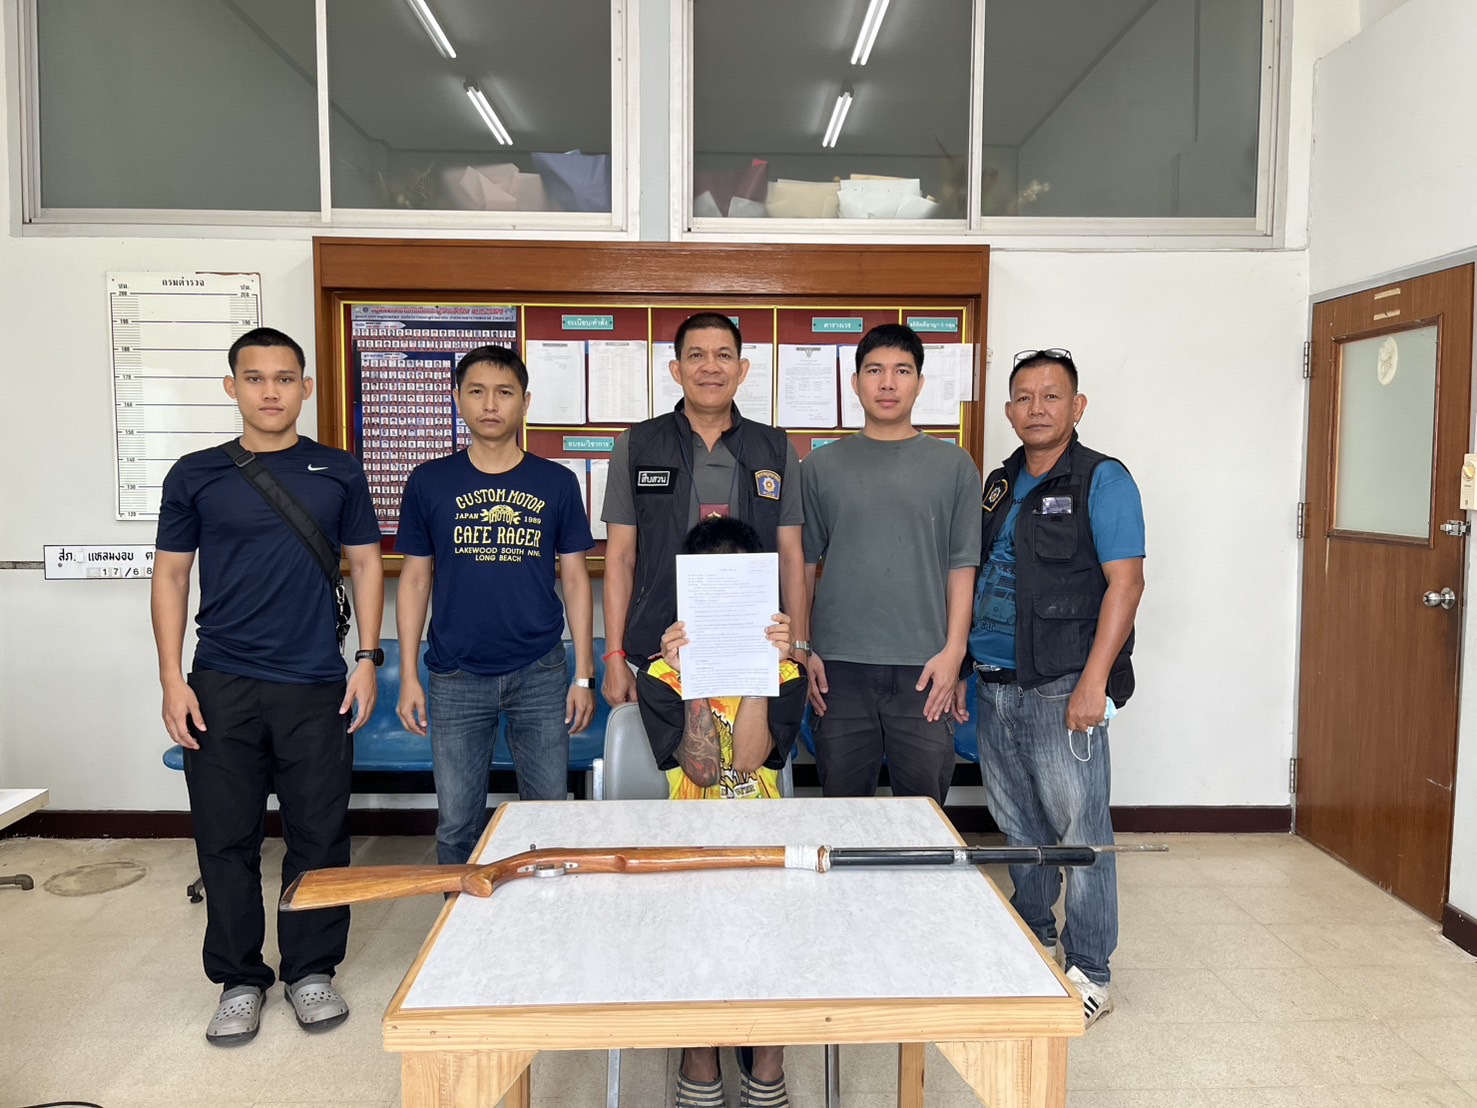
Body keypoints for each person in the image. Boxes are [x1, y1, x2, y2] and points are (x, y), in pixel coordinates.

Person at [151, 326, 384, 1045]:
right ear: (232, 387)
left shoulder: (338, 471)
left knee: (319, 835)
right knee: (226, 838)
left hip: (315, 683)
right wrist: (171, 679)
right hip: (222, 681)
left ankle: (311, 970)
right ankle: (239, 979)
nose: (270, 391)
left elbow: (367, 563)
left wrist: (367, 657)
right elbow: (171, 576)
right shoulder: (195, 474)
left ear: (306, 388)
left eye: (285, 378)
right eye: (255, 378)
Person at [964, 347, 1145, 1029]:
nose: (1035, 408)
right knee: (1017, 825)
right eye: (1023, 397)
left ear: (1077, 406)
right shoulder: (1000, 482)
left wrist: (1093, 682)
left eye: (1050, 396)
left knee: (1081, 831)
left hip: (1061, 684)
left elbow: (1126, 583)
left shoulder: (1102, 478)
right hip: (994, 682)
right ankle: (1034, 936)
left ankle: (1091, 969)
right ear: (1008, 409)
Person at [395, 345, 595, 865]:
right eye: (477, 392)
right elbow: (414, 580)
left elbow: (576, 579)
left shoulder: (556, 482)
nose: (490, 404)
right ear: (457, 398)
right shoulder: (429, 481)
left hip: (540, 671)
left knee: (548, 818)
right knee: (458, 824)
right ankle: (458, 917)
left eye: (504, 392)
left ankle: (545, 913)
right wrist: (410, 675)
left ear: (524, 402)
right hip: (455, 674)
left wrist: (583, 675)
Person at [636, 517, 803, 1107]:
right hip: (688, 835)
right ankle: (701, 1055)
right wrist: (696, 680)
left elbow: (751, 760)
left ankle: (768, 1059)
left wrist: (757, 673)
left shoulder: (786, 673)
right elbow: (704, 772)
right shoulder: (658, 676)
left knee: (782, 925)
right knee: (690, 926)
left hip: (765, 834)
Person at [800, 323, 981, 804]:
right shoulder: (819, 468)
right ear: (854, 381)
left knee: (924, 813)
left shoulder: (955, 466)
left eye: (902, 371)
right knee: (843, 809)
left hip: (926, 665)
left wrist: (954, 654)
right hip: (837, 668)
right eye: (874, 370)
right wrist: (803, 647)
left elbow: (962, 567)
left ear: (920, 383)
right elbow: (802, 567)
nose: (887, 383)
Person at [601, 312, 806, 699]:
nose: (710, 367)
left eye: (723, 355)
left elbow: (791, 556)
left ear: (742, 369)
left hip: (755, 649)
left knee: (751, 742)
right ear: (676, 370)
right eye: (696, 355)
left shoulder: (776, 449)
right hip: (656, 652)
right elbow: (621, 557)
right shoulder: (636, 446)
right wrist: (614, 655)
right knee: (663, 742)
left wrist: (800, 645)